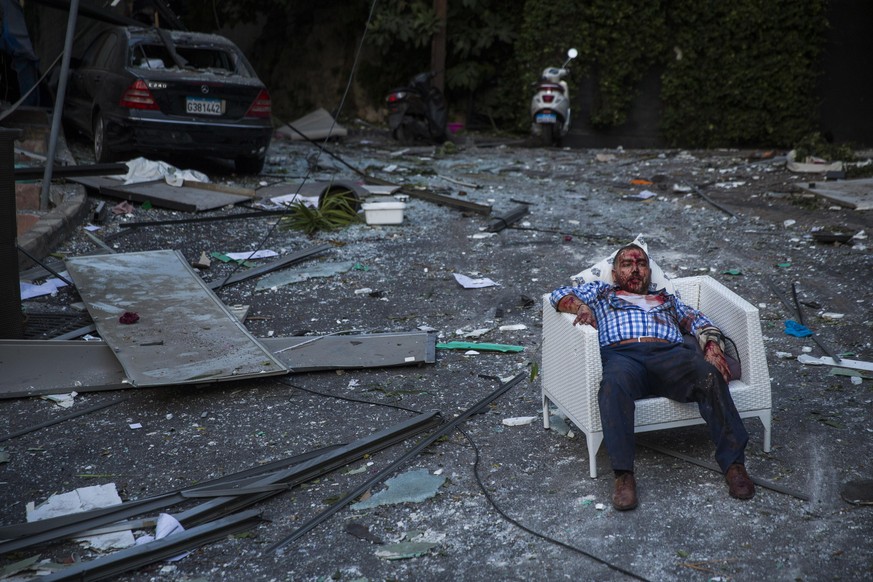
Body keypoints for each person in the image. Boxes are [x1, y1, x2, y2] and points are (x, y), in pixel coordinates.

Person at [549, 243, 755, 510]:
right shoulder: (601, 293)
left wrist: (713, 346)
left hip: (669, 355)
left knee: (709, 376)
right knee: (613, 384)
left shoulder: (667, 300)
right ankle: (624, 476)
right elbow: (558, 294)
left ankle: (734, 466)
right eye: (627, 264)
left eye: (641, 264)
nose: (635, 269)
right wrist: (581, 308)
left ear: (648, 271)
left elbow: (699, 321)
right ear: (614, 273)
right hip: (622, 355)